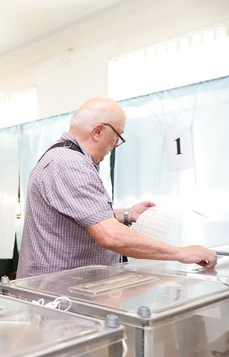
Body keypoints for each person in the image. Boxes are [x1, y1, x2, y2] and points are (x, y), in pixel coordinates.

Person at [16, 97, 218, 279]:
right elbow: (110, 235)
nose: (115, 145)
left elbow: (79, 214)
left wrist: (127, 214)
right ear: (98, 131)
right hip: (56, 292)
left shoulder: (63, 157)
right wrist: (181, 253)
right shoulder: (70, 165)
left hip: (60, 285)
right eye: (117, 137)